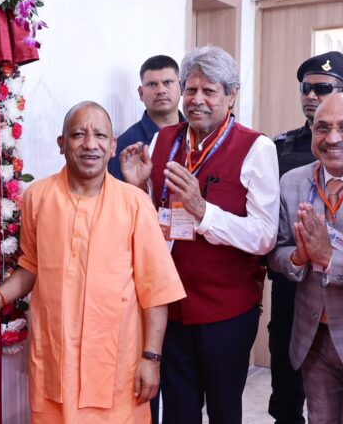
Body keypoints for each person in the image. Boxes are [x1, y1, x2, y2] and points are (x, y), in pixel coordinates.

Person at [0, 101, 186, 423]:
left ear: (112, 146)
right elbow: (31, 264)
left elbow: (156, 289)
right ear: (62, 144)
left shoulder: (135, 204)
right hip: (55, 366)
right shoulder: (37, 197)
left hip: (117, 368)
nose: (90, 144)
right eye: (78, 135)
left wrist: (151, 358)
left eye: (100, 135)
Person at [120, 45, 280, 424]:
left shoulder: (256, 147)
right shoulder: (164, 140)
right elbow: (153, 221)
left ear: (231, 95)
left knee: (224, 411)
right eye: (191, 90)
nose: (197, 100)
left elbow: (264, 236)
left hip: (226, 310)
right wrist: (138, 189)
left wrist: (203, 210)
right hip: (170, 306)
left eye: (210, 91)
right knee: (178, 412)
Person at [267, 50, 343, 424]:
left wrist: (329, 258)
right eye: (322, 128)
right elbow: (276, 250)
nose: (332, 138)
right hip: (311, 336)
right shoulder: (293, 181)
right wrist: (298, 258)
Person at [108, 55, 185, 182]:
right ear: (141, 93)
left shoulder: (197, 135)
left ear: (181, 87)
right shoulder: (125, 146)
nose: (161, 90)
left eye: (168, 82)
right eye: (152, 84)